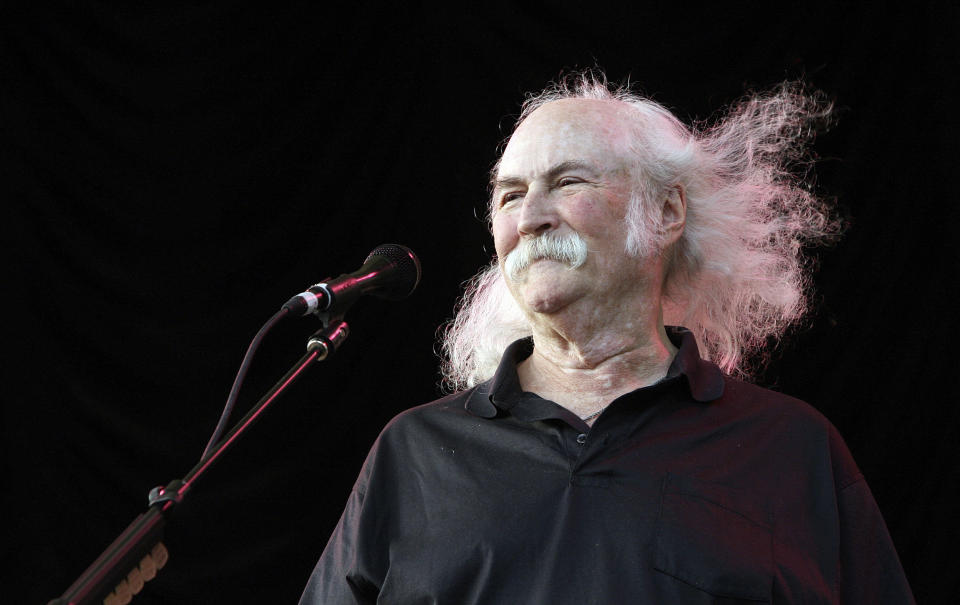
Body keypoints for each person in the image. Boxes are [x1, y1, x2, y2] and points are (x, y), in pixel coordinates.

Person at [299, 72, 915, 604]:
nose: (531, 216)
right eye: (510, 195)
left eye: (569, 183)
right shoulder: (415, 452)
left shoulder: (789, 448)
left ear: (667, 212)